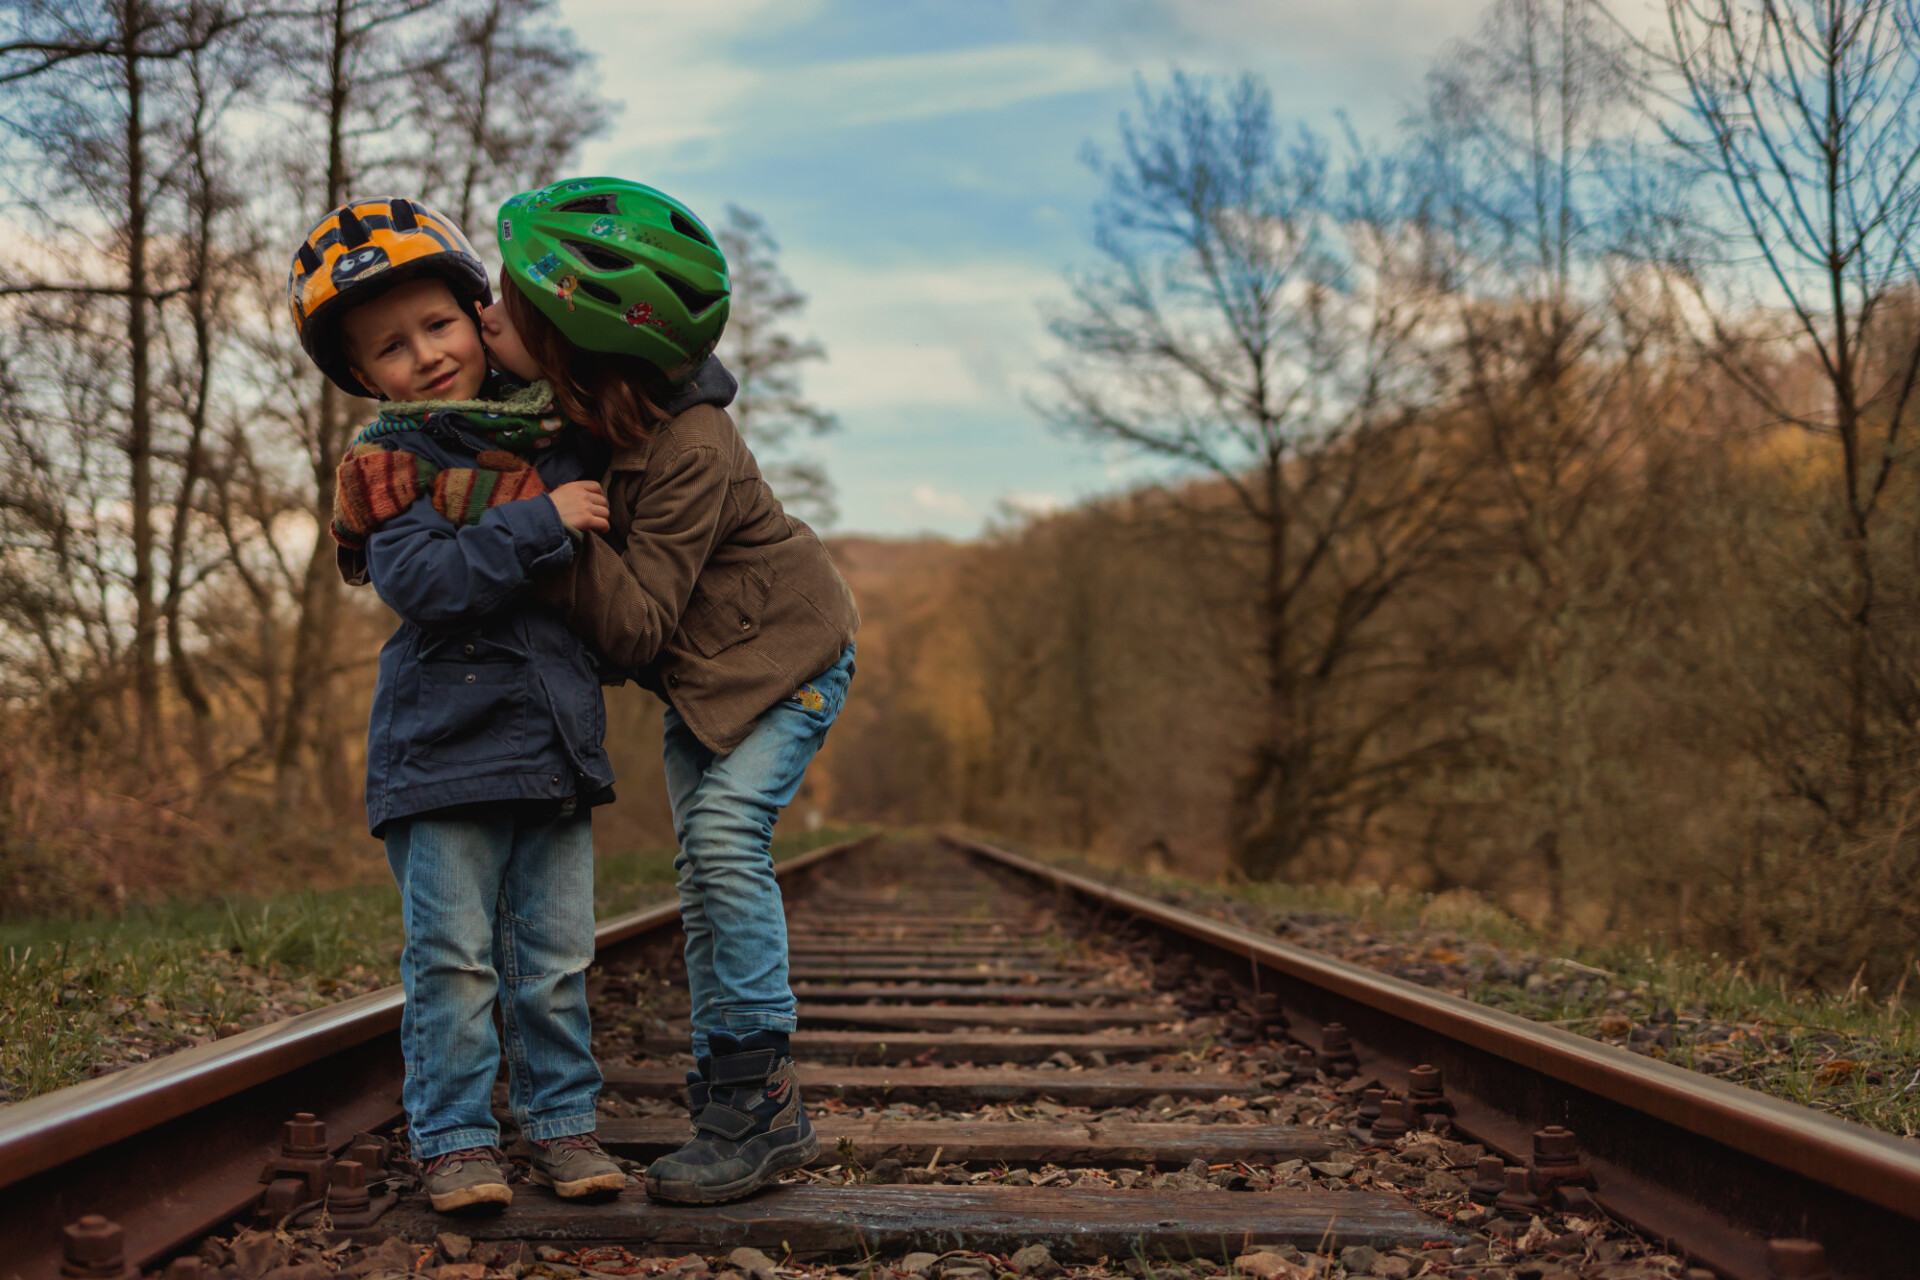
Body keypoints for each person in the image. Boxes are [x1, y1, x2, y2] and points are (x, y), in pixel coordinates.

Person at [483, 176, 860, 1204]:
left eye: (507, 309)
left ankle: (764, 1102)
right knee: (702, 871)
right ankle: (728, 1087)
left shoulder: (689, 444)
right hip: (706, 686)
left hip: (786, 660)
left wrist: (540, 518)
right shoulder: (580, 420)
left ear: (572, 348)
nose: (484, 313)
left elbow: (639, 618)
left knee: (727, 840)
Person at [286, 195, 628, 1213]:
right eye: (391, 348)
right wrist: (541, 524)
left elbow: (647, 393)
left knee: (559, 958)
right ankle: (455, 1138)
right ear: (362, 378)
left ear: (481, 316)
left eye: (438, 325)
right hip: (441, 754)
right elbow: (425, 586)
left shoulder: (563, 434)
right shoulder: (394, 467)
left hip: (555, 747)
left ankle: (564, 1125)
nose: (426, 355)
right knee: (453, 962)